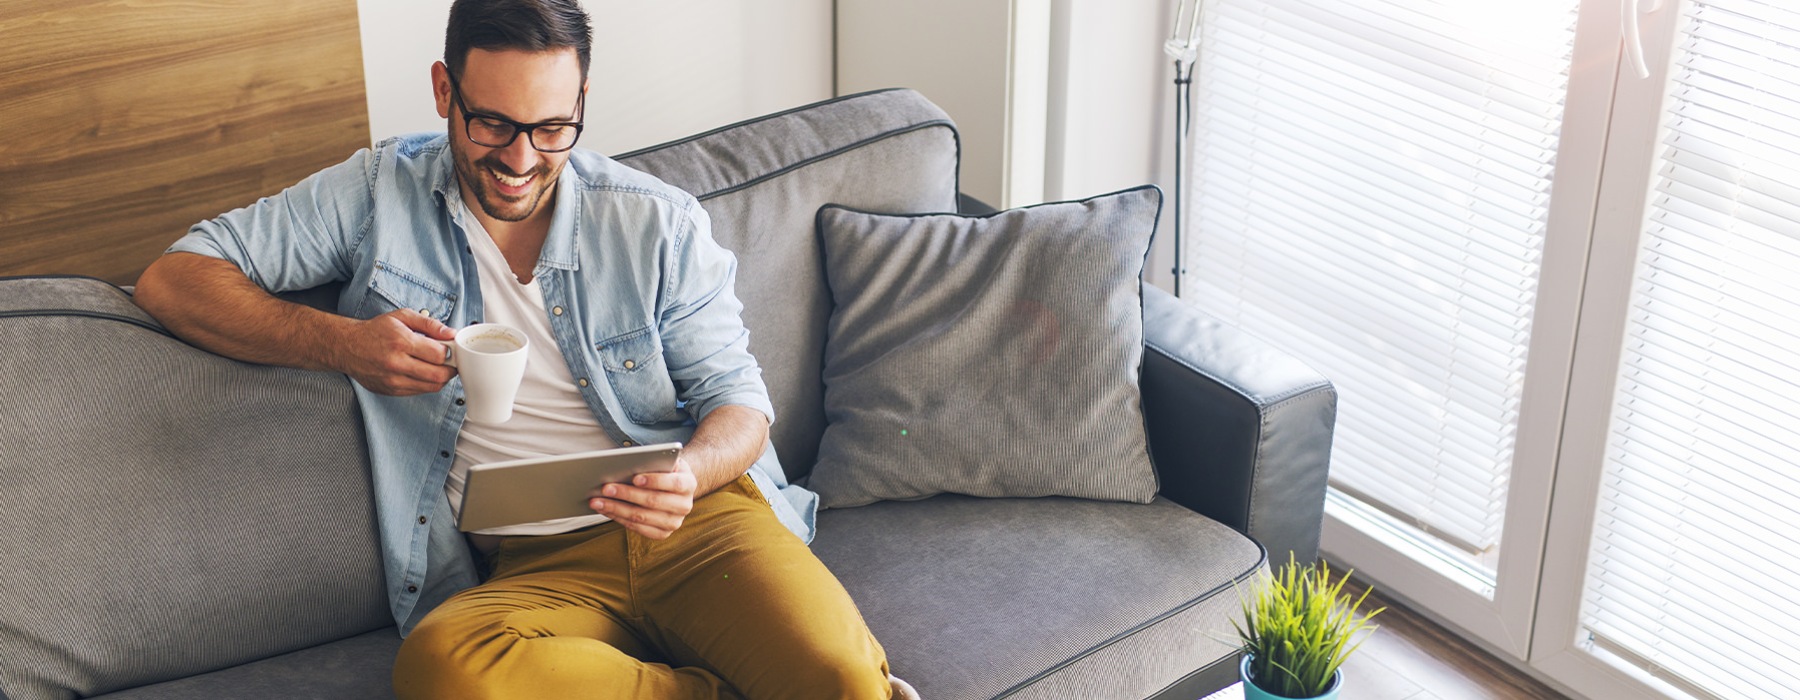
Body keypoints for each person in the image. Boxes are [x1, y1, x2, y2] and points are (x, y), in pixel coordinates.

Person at [133, 1, 913, 697]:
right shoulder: (375, 194)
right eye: (493, 125)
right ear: (445, 92)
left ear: (579, 105)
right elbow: (174, 280)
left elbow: (740, 404)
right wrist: (343, 344)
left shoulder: (655, 223)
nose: (519, 160)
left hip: (697, 526)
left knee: (841, 679)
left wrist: (689, 473)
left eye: (551, 130)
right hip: (535, 570)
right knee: (443, 666)